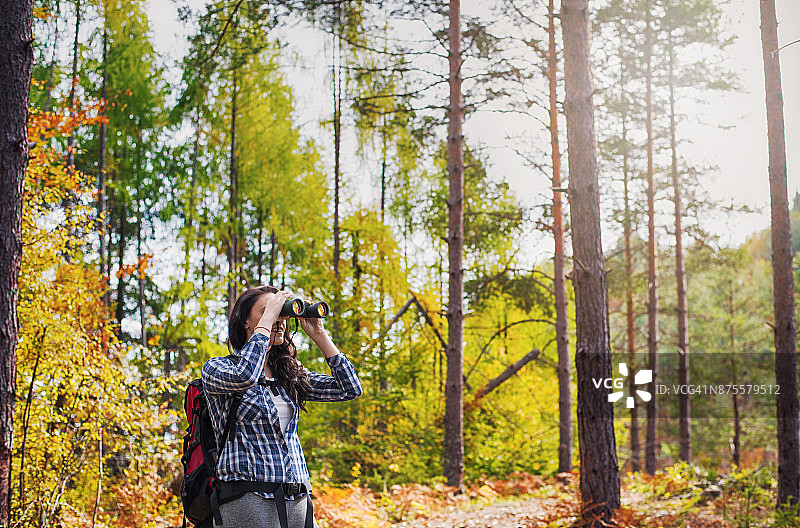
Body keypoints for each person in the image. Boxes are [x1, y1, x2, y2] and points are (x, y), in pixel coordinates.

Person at [202, 285, 363, 528]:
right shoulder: (218, 369)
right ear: (245, 322)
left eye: (282, 314)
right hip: (247, 500)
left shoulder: (287, 375)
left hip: (297, 499)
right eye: (269, 312)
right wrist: (266, 324)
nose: (279, 321)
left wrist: (319, 334)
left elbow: (349, 389)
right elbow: (245, 375)